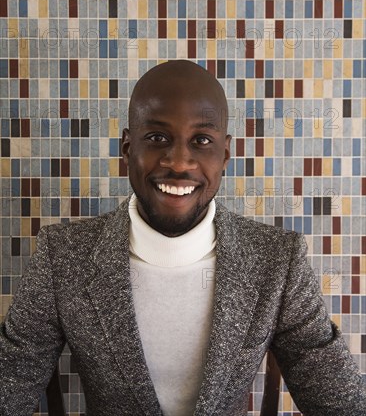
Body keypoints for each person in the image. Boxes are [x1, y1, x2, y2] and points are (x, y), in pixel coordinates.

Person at [1, 60, 365, 416]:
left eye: (201, 140)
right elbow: (13, 376)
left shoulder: (277, 260)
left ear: (224, 154)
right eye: (157, 137)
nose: (179, 161)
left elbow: (337, 393)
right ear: (128, 148)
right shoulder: (62, 255)